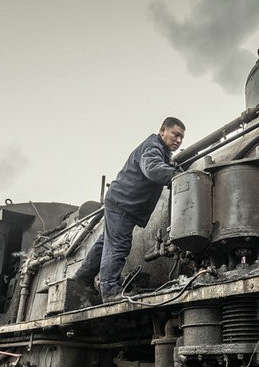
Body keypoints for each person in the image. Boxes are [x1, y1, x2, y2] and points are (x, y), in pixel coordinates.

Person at [72, 117, 186, 303]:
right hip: (123, 203)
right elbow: (152, 168)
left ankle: (82, 277)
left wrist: (174, 167)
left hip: (121, 202)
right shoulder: (153, 146)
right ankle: (110, 292)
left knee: (105, 243)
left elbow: (160, 165)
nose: (179, 140)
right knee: (119, 244)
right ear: (162, 130)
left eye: (182, 137)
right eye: (176, 134)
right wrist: (180, 177)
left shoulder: (161, 151)